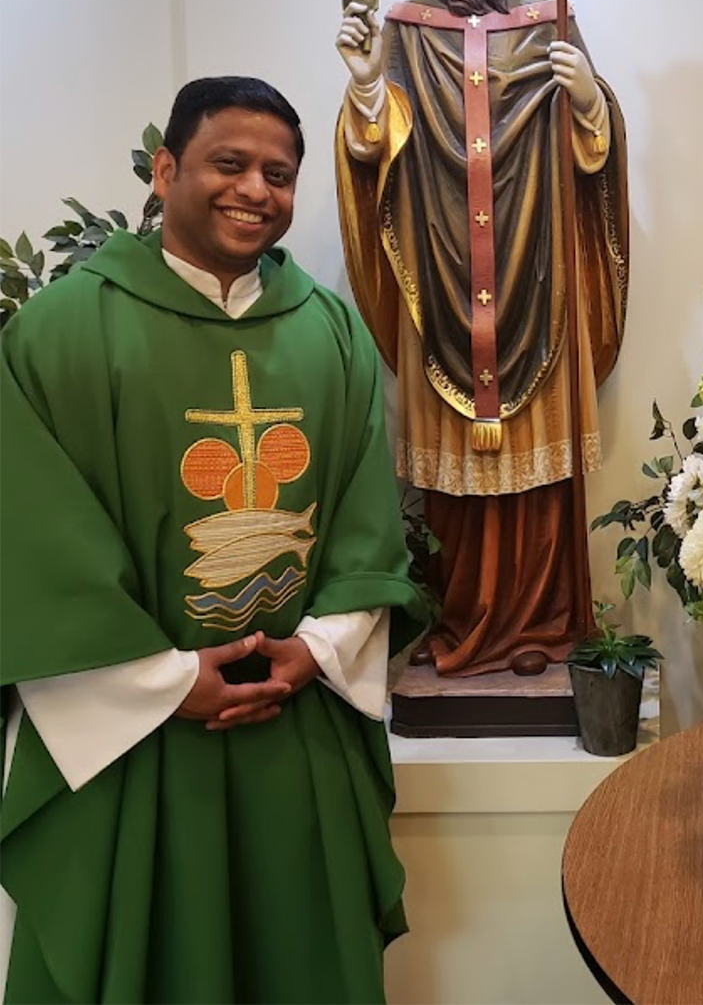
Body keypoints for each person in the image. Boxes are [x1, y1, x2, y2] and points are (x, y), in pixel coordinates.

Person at [0, 76, 428, 1005]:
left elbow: (364, 527)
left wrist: (314, 652)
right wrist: (162, 682)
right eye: (227, 165)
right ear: (166, 170)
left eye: (278, 174)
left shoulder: (331, 332)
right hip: (136, 743)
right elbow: (34, 544)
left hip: (292, 720)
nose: (255, 191)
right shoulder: (62, 330)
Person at [335, 0, 628, 679]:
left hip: (540, 275)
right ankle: (464, 629)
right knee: (454, 491)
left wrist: (588, 101)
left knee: (541, 486)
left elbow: (596, 160)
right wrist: (362, 89)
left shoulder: (548, 18)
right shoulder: (404, 30)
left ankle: (543, 626)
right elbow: (375, 150)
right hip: (442, 285)